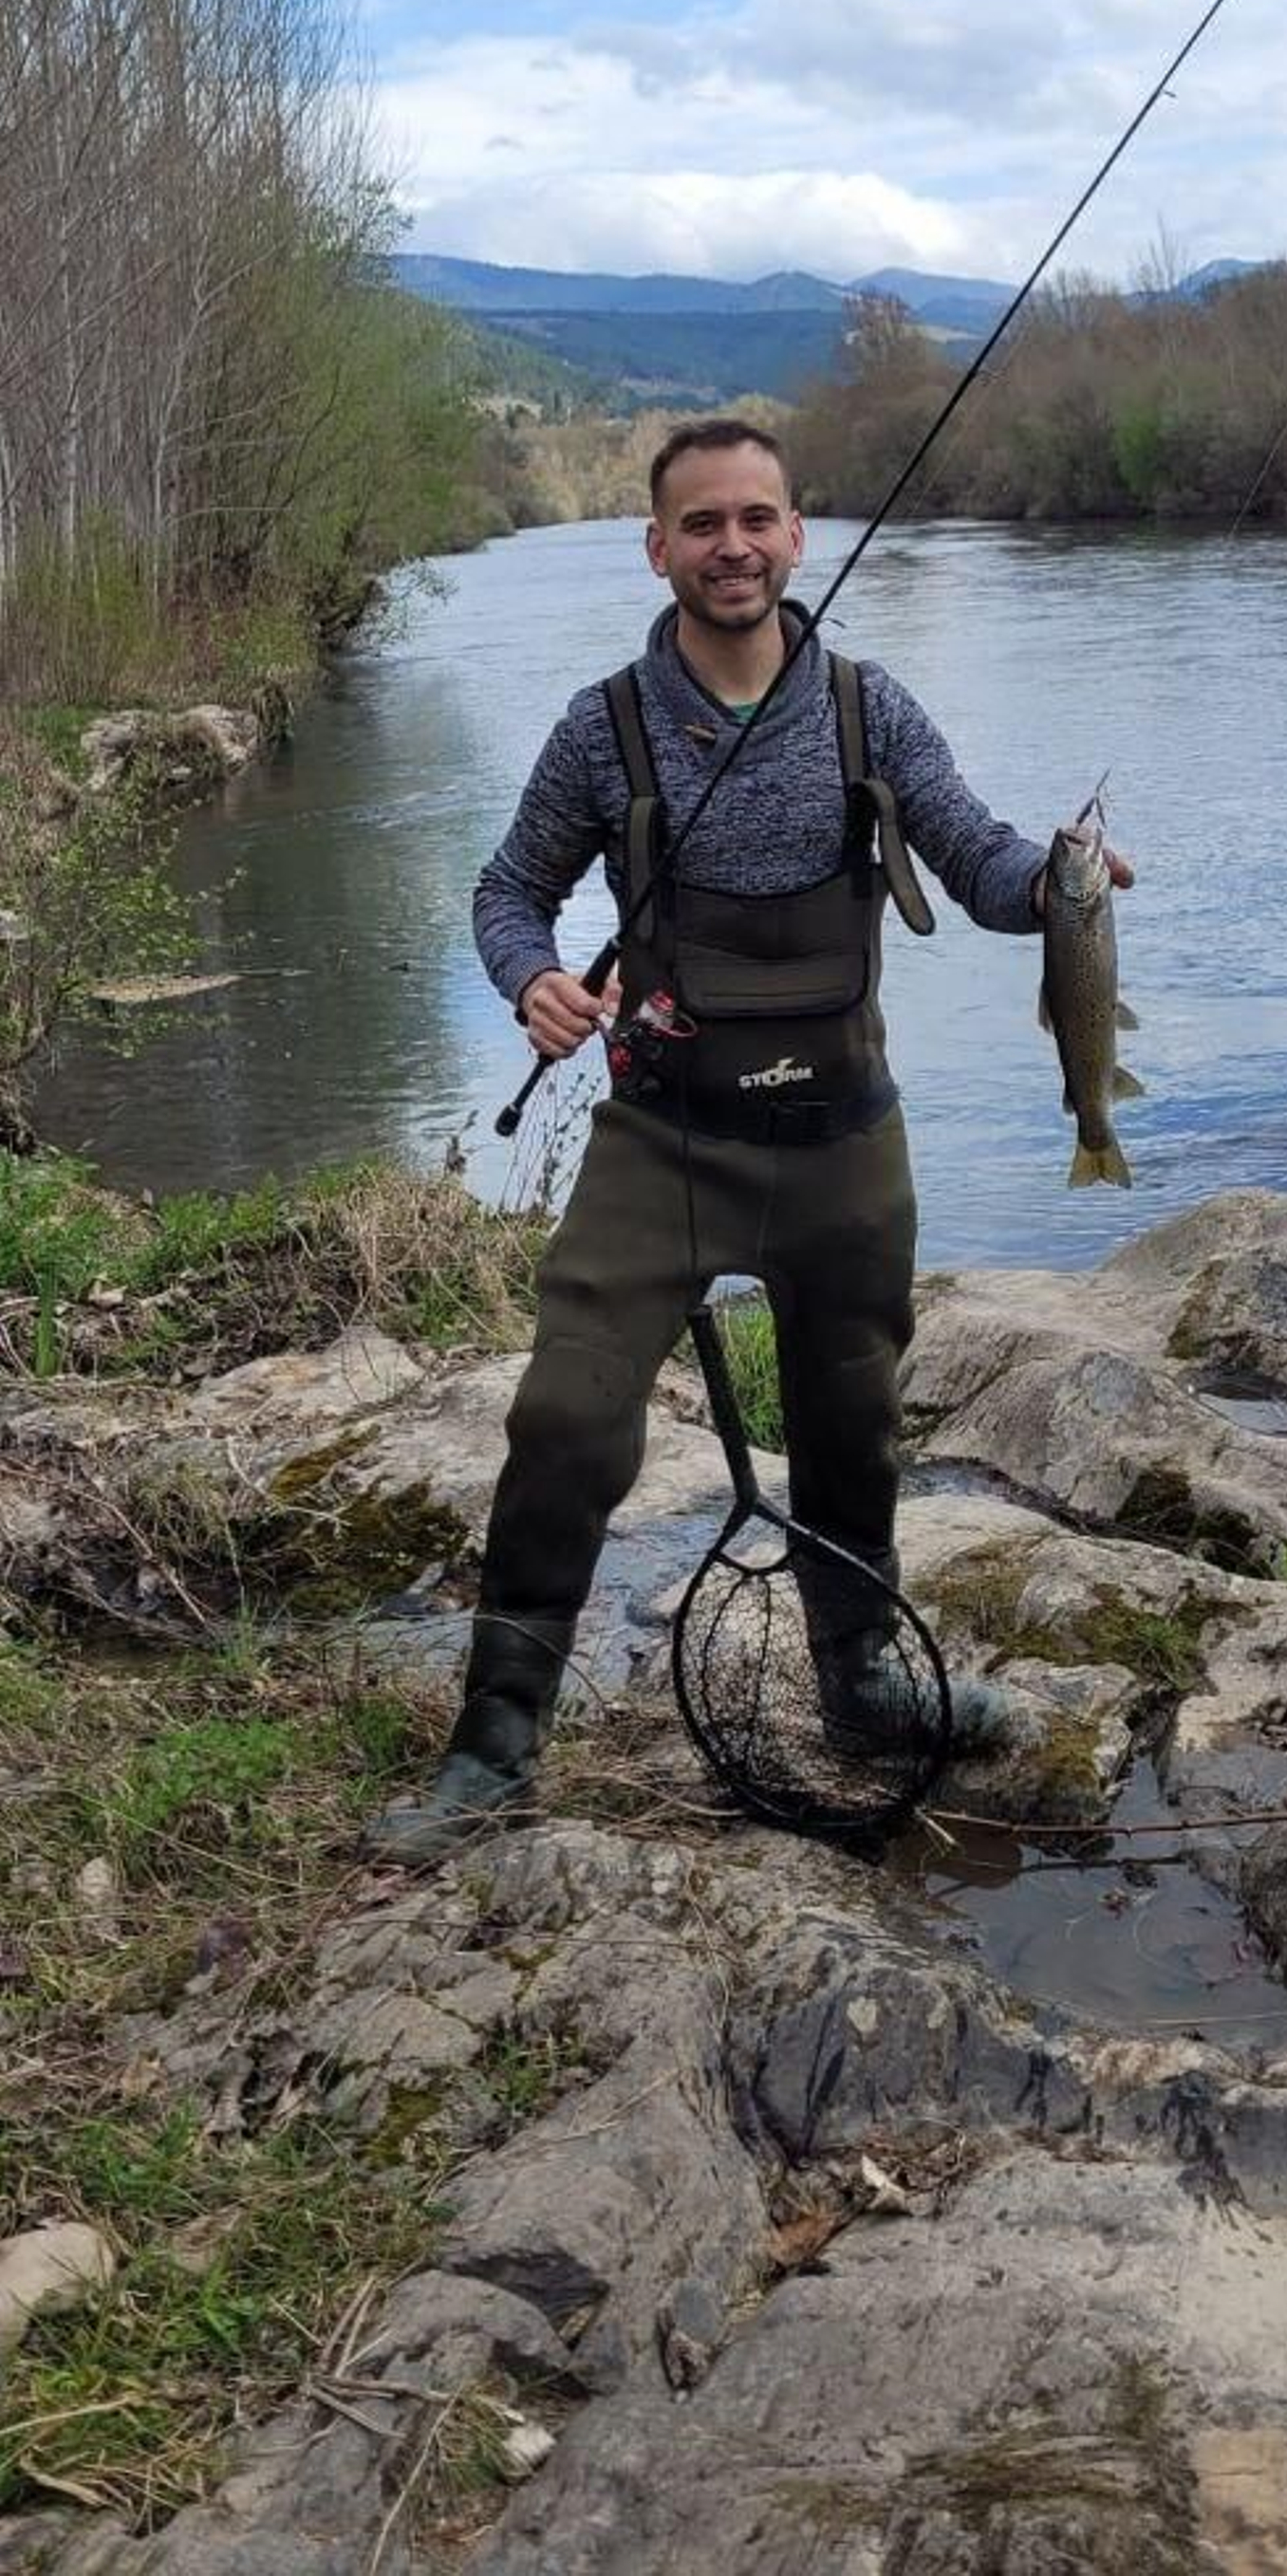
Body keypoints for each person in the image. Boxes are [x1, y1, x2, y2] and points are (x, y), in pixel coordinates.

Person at [367, 418, 1131, 1863]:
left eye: (759, 519)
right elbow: (508, 889)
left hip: (846, 1145)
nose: (734, 545)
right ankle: (495, 1740)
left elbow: (979, 866)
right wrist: (527, 976)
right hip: (662, 1143)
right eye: (703, 523)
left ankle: (863, 1683)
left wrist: (1066, 886)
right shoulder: (602, 726)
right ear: (656, 547)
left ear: (799, 536)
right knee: (565, 1418)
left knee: (854, 1424)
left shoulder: (870, 706)